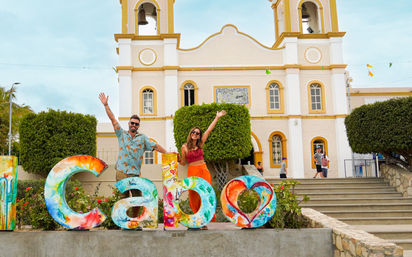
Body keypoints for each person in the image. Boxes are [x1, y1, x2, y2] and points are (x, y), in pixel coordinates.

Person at [99, 92, 169, 220]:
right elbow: (113, 119)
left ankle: (134, 221)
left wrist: (168, 153)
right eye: (132, 123)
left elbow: (155, 146)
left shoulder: (142, 138)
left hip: (134, 173)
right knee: (123, 198)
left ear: (138, 126)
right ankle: (123, 222)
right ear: (129, 123)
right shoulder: (122, 134)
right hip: (121, 172)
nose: (134, 125)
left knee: (137, 198)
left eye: (136, 124)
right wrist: (106, 105)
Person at [178, 110, 226, 228]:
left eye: (198, 133)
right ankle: (197, 219)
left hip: (203, 171)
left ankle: (204, 221)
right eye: (194, 132)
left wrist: (217, 117)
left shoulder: (200, 144)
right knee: (194, 195)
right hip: (192, 171)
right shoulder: (184, 147)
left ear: (199, 136)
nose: (195, 134)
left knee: (205, 194)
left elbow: (209, 130)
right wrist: (178, 158)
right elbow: (184, 163)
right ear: (191, 133)